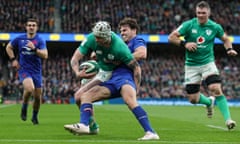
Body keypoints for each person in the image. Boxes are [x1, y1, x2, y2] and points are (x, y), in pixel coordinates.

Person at [64, 19, 159, 140]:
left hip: (124, 77)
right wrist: (103, 57)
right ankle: (88, 125)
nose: (122, 33)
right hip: (109, 76)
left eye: (125, 30)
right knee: (82, 96)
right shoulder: (103, 42)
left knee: (130, 101)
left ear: (134, 30)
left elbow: (141, 56)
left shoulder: (132, 42)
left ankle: (151, 132)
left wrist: (119, 59)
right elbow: (80, 57)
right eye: (120, 30)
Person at [168, 1, 237, 130]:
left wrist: (229, 50)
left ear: (208, 13)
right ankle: (208, 102)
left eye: (203, 13)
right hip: (191, 65)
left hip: (208, 63)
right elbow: (171, 37)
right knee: (193, 99)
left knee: (215, 88)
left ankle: (228, 120)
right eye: (198, 12)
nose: (200, 15)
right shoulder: (188, 25)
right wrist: (185, 44)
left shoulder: (215, 27)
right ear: (196, 12)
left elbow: (226, 39)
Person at [6, 18, 48, 125]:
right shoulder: (20, 39)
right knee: (29, 89)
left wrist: (35, 49)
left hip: (36, 71)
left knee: (38, 97)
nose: (31, 27)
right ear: (26, 27)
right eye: (29, 25)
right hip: (24, 69)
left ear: (36, 27)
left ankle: (34, 116)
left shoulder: (40, 40)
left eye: (33, 25)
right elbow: (9, 47)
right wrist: (13, 59)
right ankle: (24, 107)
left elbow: (45, 55)